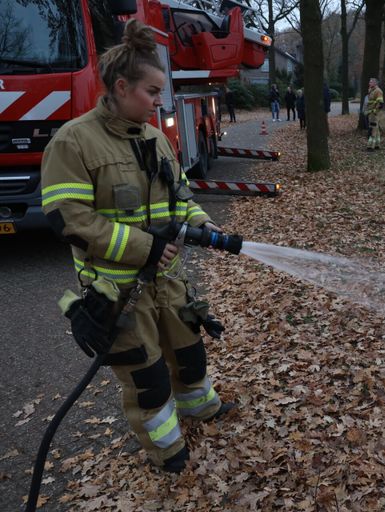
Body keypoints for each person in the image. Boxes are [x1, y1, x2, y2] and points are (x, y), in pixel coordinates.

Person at [40, 19, 233, 474]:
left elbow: (180, 195)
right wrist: (144, 248)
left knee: (189, 353)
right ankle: (167, 450)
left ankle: (201, 409)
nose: (159, 101)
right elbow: (69, 218)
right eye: (151, 91)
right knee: (146, 377)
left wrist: (205, 225)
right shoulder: (74, 141)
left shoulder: (155, 140)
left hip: (167, 282)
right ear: (121, 87)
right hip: (118, 291)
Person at [365, 78, 385, 151]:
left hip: (374, 113)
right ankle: (377, 145)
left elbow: (380, 103)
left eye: (371, 82)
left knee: (373, 128)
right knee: (376, 128)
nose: (369, 83)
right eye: (369, 82)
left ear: (375, 83)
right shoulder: (370, 90)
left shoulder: (378, 91)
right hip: (370, 112)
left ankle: (370, 146)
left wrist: (375, 111)